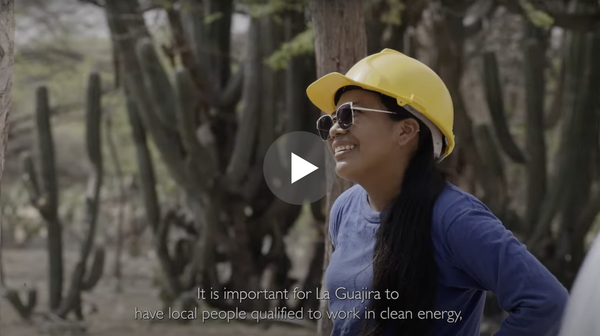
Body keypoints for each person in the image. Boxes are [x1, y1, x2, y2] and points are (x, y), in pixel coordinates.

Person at [305, 49, 569, 336]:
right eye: (328, 121)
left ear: (405, 131)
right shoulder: (344, 210)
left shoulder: (454, 218)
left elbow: (546, 302)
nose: (334, 131)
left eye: (348, 115)